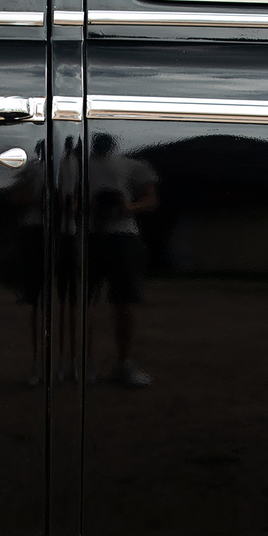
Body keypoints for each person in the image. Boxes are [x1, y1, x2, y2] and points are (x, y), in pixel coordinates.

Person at [86, 133, 158, 387]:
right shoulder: (74, 166)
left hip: (123, 234)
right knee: (83, 302)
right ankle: (86, 363)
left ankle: (123, 362)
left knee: (124, 301)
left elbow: (150, 198)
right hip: (86, 234)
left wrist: (128, 208)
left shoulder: (132, 165)